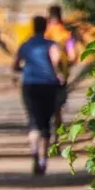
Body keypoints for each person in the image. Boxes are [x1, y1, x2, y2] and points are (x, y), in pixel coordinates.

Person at [14, 15, 65, 175]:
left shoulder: (25, 45)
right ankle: (43, 160)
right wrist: (58, 74)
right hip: (48, 86)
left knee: (33, 120)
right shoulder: (51, 44)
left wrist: (27, 69)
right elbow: (57, 61)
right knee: (45, 124)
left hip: (29, 85)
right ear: (45, 28)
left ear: (33, 27)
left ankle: (34, 151)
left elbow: (15, 65)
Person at [44, 5, 72, 144]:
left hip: (43, 76)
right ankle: (57, 139)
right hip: (60, 77)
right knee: (58, 110)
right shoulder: (66, 34)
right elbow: (73, 55)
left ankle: (45, 134)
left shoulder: (44, 33)